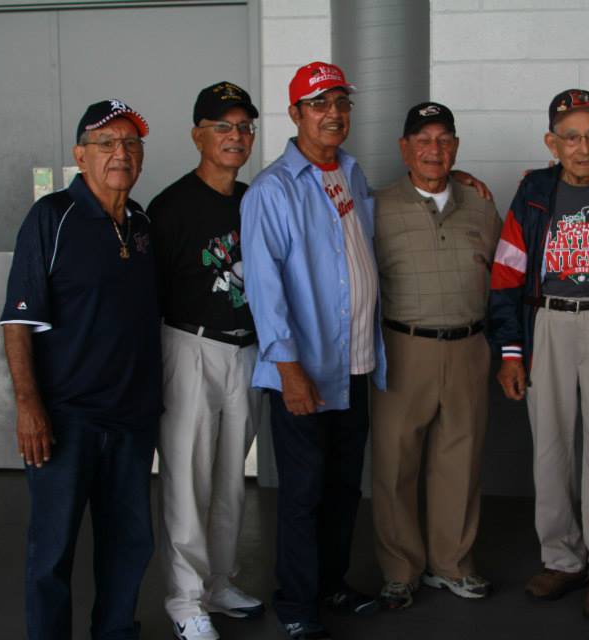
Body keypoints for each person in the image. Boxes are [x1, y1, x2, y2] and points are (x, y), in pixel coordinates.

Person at [0, 99, 161, 640]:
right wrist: (28, 406)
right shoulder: (51, 218)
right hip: (65, 421)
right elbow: (17, 323)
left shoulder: (141, 225)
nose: (121, 153)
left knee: (130, 544)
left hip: (132, 421)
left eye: (131, 144)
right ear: (80, 155)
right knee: (53, 551)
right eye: (107, 143)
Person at [490, 88, 589, 619]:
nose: (584, 147)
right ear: (551, 143)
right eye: (572, 137)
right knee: (551, 447)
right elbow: (507, 272)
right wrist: (511, 351)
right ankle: (562, 558)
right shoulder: (535, 192)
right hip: (549, 322)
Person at [241, 61, 385, 640]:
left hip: (353, 363)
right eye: (320, 104)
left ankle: (332, 584)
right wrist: (289, 368)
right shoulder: (272, 189)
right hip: (304, 369)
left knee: (344, 486)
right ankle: (297, 602)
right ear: (296, 113)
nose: (334, 114)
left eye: (341, 103)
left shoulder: (352, 174)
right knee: (302, 493)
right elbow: (264, 289)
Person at [371, 102, 502, 609]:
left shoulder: (481, 205)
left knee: (460, 463)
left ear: (456, 148)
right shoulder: (376, 206)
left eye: (444, 139)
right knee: (394, 465)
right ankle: (400, 570)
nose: (434, 150)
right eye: (422, 140)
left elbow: (503, 276)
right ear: (405, 149)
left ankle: (451, 565)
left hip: (469, 347)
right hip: (403, 348)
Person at [148, 81, 264, 640]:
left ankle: (219, 583)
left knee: (230, 480)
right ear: (198, 134)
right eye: (223, 127)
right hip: (189, 346)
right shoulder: (169, 207)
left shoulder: (253, 199)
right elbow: (148, 293)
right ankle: (185, 598)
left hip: (246, 349)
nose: (235, 137)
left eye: (243, 127)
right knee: (187, 480)